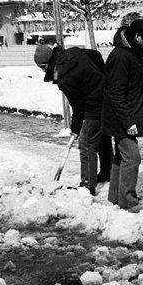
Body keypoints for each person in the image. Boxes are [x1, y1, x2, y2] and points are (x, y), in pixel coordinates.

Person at [102, 18, 143, 210]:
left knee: (121, 156)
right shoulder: (121, 56)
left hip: (124, 115)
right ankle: (128, 201)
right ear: (136, 37)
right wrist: (128, 122)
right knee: (133, 157)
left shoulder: (133, 54)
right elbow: (115, 93)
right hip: (120, 117)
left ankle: (115, 197)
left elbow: (135, 81)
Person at [36, 42, 109, 194]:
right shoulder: (73, 52)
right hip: (106, 97)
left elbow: (78, 108)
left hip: (94, 105)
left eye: (42, 68)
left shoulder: (64, 78)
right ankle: (107, 171)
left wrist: (75, 130)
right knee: (100, 136)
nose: (44, 72)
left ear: (46, 65)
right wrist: (101, 78)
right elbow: (96, 55)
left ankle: (88, 185)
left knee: (86, 142)